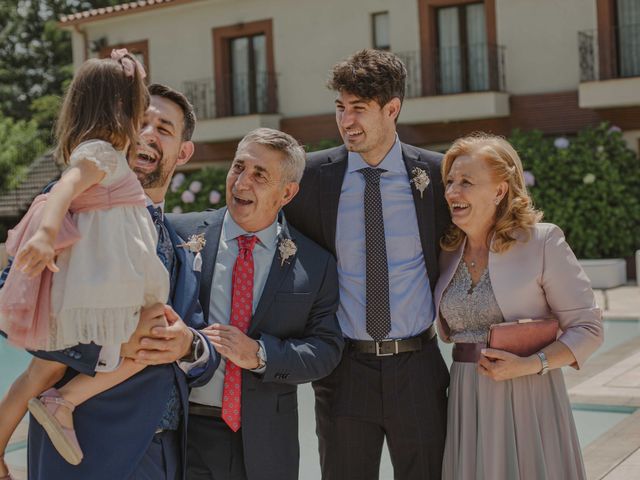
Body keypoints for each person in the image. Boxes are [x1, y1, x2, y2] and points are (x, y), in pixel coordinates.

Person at [18, 83, 217, 480]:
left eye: (163, 128)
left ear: (183, 151)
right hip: (83, 452)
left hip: (166, 456)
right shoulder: (74, 204)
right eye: (140, 123)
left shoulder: (182, 241)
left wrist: (190, 346)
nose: (148, 134)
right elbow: (24, 306)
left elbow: (199, 337)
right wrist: (112, 342)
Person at [0, 50, 173, 472]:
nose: (143, 112)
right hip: (102, 287)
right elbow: (66, 186)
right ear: (120, 107)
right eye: (138, 102)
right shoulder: (101, 152)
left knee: (43, 371)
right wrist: (43, 235)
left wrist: (133, 70)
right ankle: (62, 402)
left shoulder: (107, 152)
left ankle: (58, 403)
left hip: (106, 284)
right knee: (151, 337)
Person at [284, 49, 451, 480]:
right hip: (343, 370)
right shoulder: (311, 179)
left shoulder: (436, 175)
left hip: (419, 367)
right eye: (340, 108)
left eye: (359, 109)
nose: (346, 121)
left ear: (391, 109)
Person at [169, 128, 344, 480]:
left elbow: (326, 348)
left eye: (260, 175)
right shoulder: (180, 235)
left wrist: (260, 354)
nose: (242, 182)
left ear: (287, 192)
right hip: (187, 432)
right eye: (238, 167)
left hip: (267, 441)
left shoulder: (316, 264)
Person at [434, 133, 603, 480]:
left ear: (499, 190)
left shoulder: (543, 241)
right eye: (450, 181)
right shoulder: (446, 251)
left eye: (466, 181)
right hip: (467, 395)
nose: (453, 191)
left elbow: (588, 328)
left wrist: (532, 364)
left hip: (530, 394)